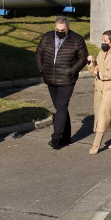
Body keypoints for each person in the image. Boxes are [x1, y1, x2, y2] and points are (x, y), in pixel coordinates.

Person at [35, 16, 89, 149]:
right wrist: (41, 69)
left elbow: (83, 57)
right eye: (57, 29)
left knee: (61, 106)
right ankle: (66, 137)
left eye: (62, 30)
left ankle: (56, 137)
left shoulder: (76, 39)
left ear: (68, 28)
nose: (59, 32)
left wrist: (72, 70)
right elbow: (38, 53)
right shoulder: (47, 37)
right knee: (60, 108)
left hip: (66, 79)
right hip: (50, 78)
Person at [88, 30, 111, 155]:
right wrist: (91, 63)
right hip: (99, 88)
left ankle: (96, 144)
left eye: (105, 40)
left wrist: (98, 73)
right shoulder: (101, 52)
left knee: (103, 117)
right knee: (104, 116)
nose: (102, 42)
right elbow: (94, 70)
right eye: (102, 40)